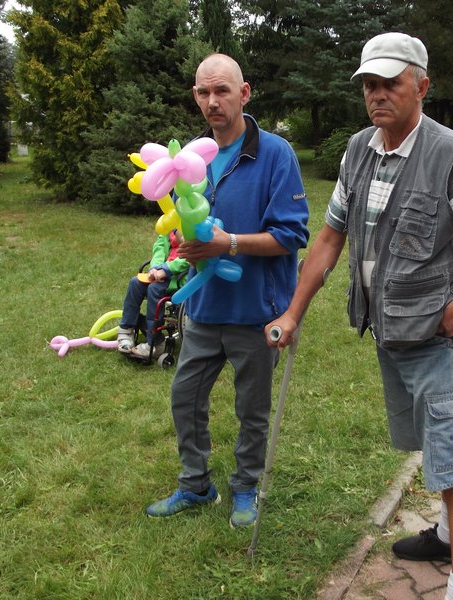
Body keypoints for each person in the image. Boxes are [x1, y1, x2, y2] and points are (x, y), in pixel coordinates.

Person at [265, 33, 453, 600]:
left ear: (422, 86)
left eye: (390, 84)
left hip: (437, 339)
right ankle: (444, 538)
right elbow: (330, 237)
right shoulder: (359, 150)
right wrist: (293, 311)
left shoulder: (452, 155)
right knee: (434, 445)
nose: (377, 95)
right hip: (392, 332)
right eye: (369, 85)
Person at [145, 53, 310, 528]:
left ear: (244, 93)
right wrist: (183, 244)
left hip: (257, 312)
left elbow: (292, 235)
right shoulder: (193, 157)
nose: (212, 101)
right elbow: (187, 218)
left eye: (222, 90)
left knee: (251, 409)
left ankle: (245, 488)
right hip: (203, 307)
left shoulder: (275, 153)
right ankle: (196, 484)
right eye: (204, 92)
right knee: (185, 397)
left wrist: (229, 242)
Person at [117, 228, 188, 359]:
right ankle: (126, 331)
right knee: (135, 283)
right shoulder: (170, 225)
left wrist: (166, 270)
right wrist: (155, 267)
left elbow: (192, 257)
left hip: (179, 278)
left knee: (154, 289)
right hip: (160, 272)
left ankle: (156, 342)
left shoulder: (195, 225)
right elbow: (160, 247)